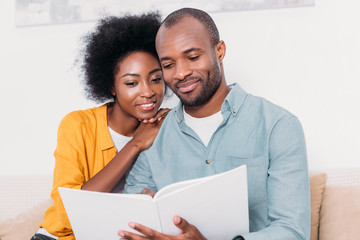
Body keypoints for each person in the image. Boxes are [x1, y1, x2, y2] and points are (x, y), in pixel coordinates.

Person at [120, 8, 310, 240]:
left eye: (192, 57)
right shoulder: (151, 136)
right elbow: (134, 225)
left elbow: (293, 231)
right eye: (168, 65)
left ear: (219, 51)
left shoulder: (278, 126)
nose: (181, 73)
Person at [31, 12, 168, 240]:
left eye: (156, 79)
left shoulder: (167, 127)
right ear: (111, 87)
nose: (148, 91)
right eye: (131, 83)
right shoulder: (78, 125)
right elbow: (69, 213)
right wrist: (135, 144)